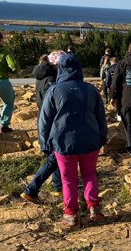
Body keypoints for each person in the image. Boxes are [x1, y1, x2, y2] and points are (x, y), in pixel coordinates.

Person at [39, 53, 107, 227]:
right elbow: (100, 115)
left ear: (60, 69)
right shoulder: (90, 89)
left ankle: (71, 213)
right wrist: (102, 136)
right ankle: (94, 208)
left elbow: (45, 119)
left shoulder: (54, 90)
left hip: (63, 141)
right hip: (90, 139)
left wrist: (44, 142)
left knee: (68, 178)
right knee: (90, 174)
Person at [21, 52, 63, 202]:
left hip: (44, 120)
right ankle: (32, 189)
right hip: (51, 122)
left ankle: (58, 188)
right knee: (55, 157)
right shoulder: (51, 79)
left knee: (56, 157)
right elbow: (52, 104)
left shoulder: (42, 76)